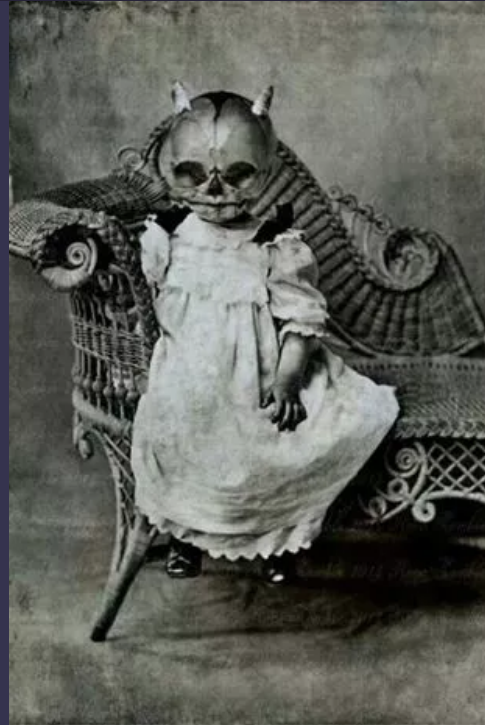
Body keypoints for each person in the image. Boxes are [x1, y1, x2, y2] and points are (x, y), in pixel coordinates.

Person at [131, 84, 399, 583]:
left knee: (279, 441)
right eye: (192, 175)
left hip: (258, 372)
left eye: (237, 176)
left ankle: (273, 542)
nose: (214, 193)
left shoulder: (274, 244)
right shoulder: (166, 236)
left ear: (265, 173)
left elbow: (300, 320)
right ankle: (185, 537)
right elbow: (136, 290)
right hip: (189, 371)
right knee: (180, 432)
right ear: (171, 171)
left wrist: (288, 379)